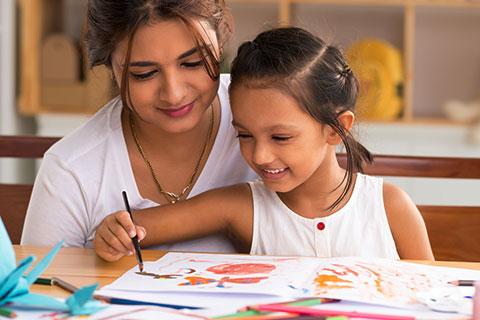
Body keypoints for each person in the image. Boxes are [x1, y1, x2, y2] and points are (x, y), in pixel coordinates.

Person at [94, 27, 434, 261]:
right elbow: (136, 228)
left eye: (281, 137)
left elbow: (431, 297)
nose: (259, 155)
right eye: (244, 135)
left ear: (336, 129)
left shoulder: (389, 207)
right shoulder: (241, 207)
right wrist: (115, 231)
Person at [21, 0, 257, 252]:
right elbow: (37, 291)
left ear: (220, 40)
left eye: (193, 63)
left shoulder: (268, 119)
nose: (173, 93)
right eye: (144, 74)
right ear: (112, 68)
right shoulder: (72, 170)